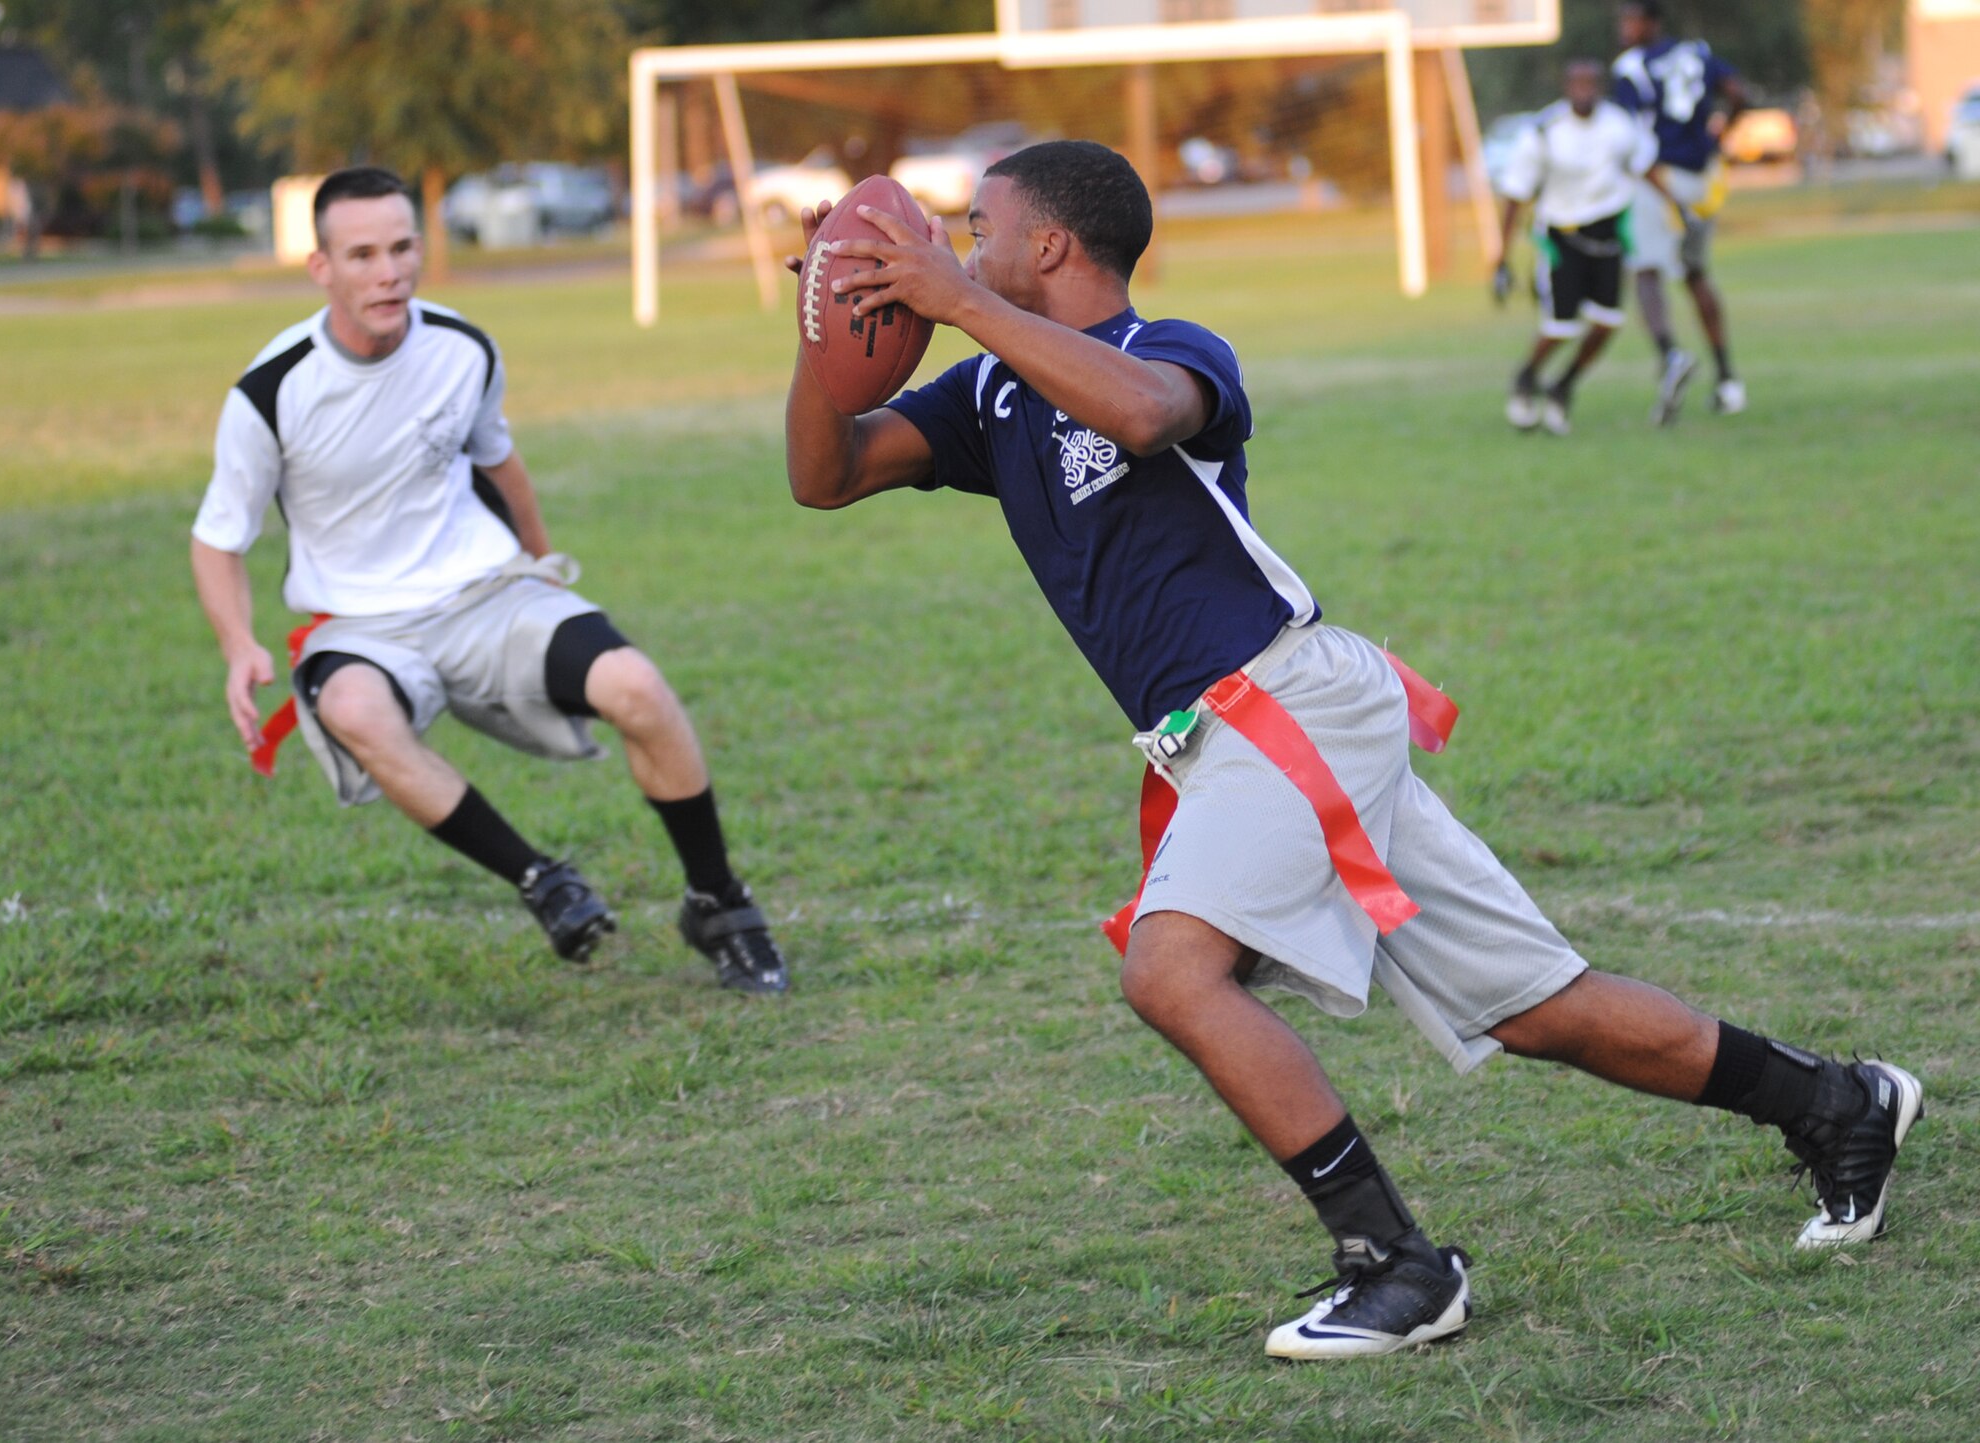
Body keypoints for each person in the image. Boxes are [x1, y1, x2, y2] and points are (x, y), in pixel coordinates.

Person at [782, 140, 1920, 1360]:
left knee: (1169, 973)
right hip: (1229, 736)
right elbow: (823, 475)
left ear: (1051, 245)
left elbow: (1141, 416)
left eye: (977, 224)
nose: (955, 246)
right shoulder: (991, 394)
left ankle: (1396, 1267)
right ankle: (1833, 1101)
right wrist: (815, 343)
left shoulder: (1167, 351)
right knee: (1540, 1008)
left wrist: (952, 302)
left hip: (1286, 704)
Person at [190, 166, 787, 992]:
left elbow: (501, 465)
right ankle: (543, 879)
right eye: (361, 254)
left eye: (402, 247)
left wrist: (540, 572)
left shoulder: (462, 346)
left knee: (638, 686)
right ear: (321, 268)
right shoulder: (273, 388)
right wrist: (237, 645)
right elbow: (218, 537)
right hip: (361, 624)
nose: (388, 270)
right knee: (353, 705)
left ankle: (719, 901)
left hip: (485, 594)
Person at [1494, 59, 1661, 436]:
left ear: (1600, 87)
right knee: (1561, 326)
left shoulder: (1618, 125)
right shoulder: (1544, 130)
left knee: (1607, 323)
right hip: (1562, 236)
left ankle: (1562, 387)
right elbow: (1515, 194)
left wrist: (1674, 205)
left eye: (1592, 84)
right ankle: (1526, 379)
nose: (1584, 91)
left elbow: (1643, 165)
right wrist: (1500, 258)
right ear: (1566, 86)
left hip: (1607, 235)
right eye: (1577, 84)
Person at [1613, 0, 1749, 423]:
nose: (1624, 27)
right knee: (1695, 274)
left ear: (1651, 22)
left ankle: (1671, 355)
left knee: (1646, 271)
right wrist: (1718, 137)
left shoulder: (1631, 67)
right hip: (1700, 180)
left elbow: (1633, 141)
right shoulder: (1698, 53)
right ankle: (1728, 378)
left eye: (1631, 19)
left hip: (1660, 180)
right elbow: (1739, 95)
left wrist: (1662, 191)